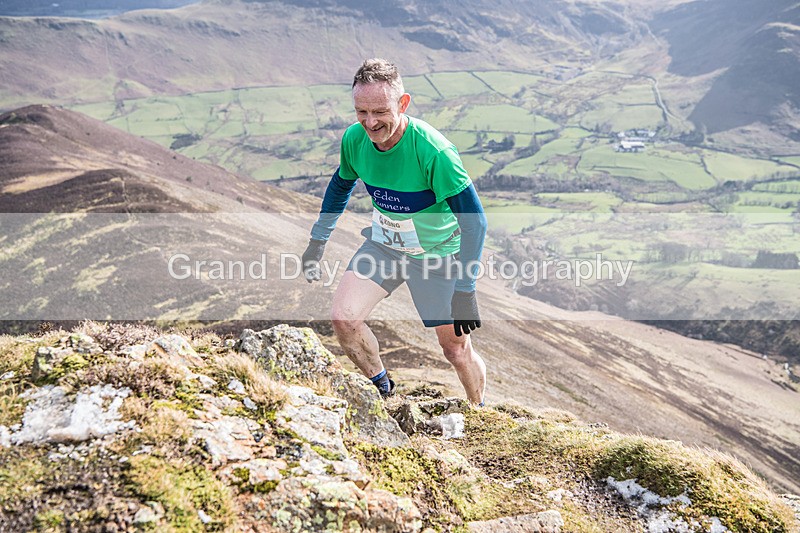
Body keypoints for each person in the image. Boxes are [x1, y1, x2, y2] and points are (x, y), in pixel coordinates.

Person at [301, 58, 488, 405]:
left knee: (455, 349)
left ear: (403, 104)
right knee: (344, 319)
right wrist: (317, 240)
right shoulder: (354, 140)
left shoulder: (434, 151)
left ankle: (479, 411)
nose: (370, 123)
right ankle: (384, 392)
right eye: (361, 112)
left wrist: (466, 289)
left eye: (380, 111)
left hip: (437, 255)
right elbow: (340, 187)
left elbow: (475, 222)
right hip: (385, 247)